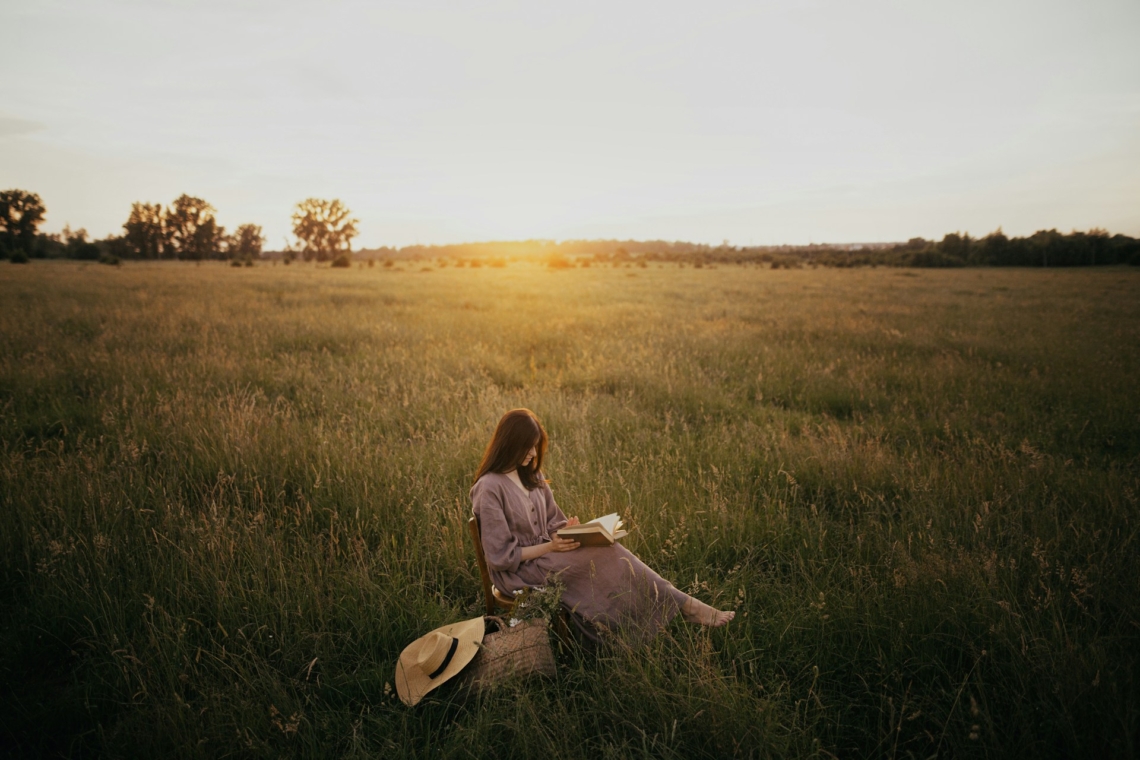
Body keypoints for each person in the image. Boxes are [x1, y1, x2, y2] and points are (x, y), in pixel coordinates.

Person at [470, 408, 733, 642]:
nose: (532, 453)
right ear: (509, 444)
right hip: (519, 573)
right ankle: (680, 607)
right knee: (606, 554)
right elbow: (500, 558)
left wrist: (568, 530)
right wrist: (551, 546)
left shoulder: (533, 475)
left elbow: (553, 521)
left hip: (548, 554)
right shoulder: (489, 487)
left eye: (536, 446)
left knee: (607, 545)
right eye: (526, 447)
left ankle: (656, 612)